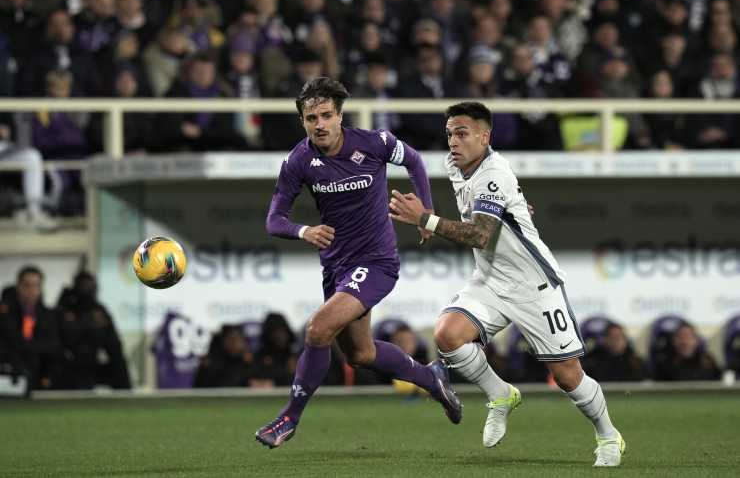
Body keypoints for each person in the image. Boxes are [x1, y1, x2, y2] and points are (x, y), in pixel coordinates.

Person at [388, 101, 625, 467]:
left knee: (567, 376)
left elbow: (482, 235)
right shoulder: (456, 166)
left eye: (462, 133)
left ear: (485, 137)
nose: (453, 141)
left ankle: (608, 435)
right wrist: (514, 205)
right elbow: (493, 212)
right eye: (450, 133)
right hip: (490, 280)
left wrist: (426, 219)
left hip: (533, 284)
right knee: (448, 335)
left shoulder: (494, 171)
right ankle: (500, 394)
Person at [255, 77, 462, 449]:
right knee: (361, 354)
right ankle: (432, 379)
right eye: (310, 118)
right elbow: (274, 220)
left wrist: (426, 211)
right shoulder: (299, 160)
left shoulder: (374, 143)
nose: (319, 124)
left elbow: (414, 159)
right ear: (303, 121)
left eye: (326, 115)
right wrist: (304, 231)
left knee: (318, 329)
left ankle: (288, 418)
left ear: (339, 116)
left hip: (377, 261)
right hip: (337, 267)